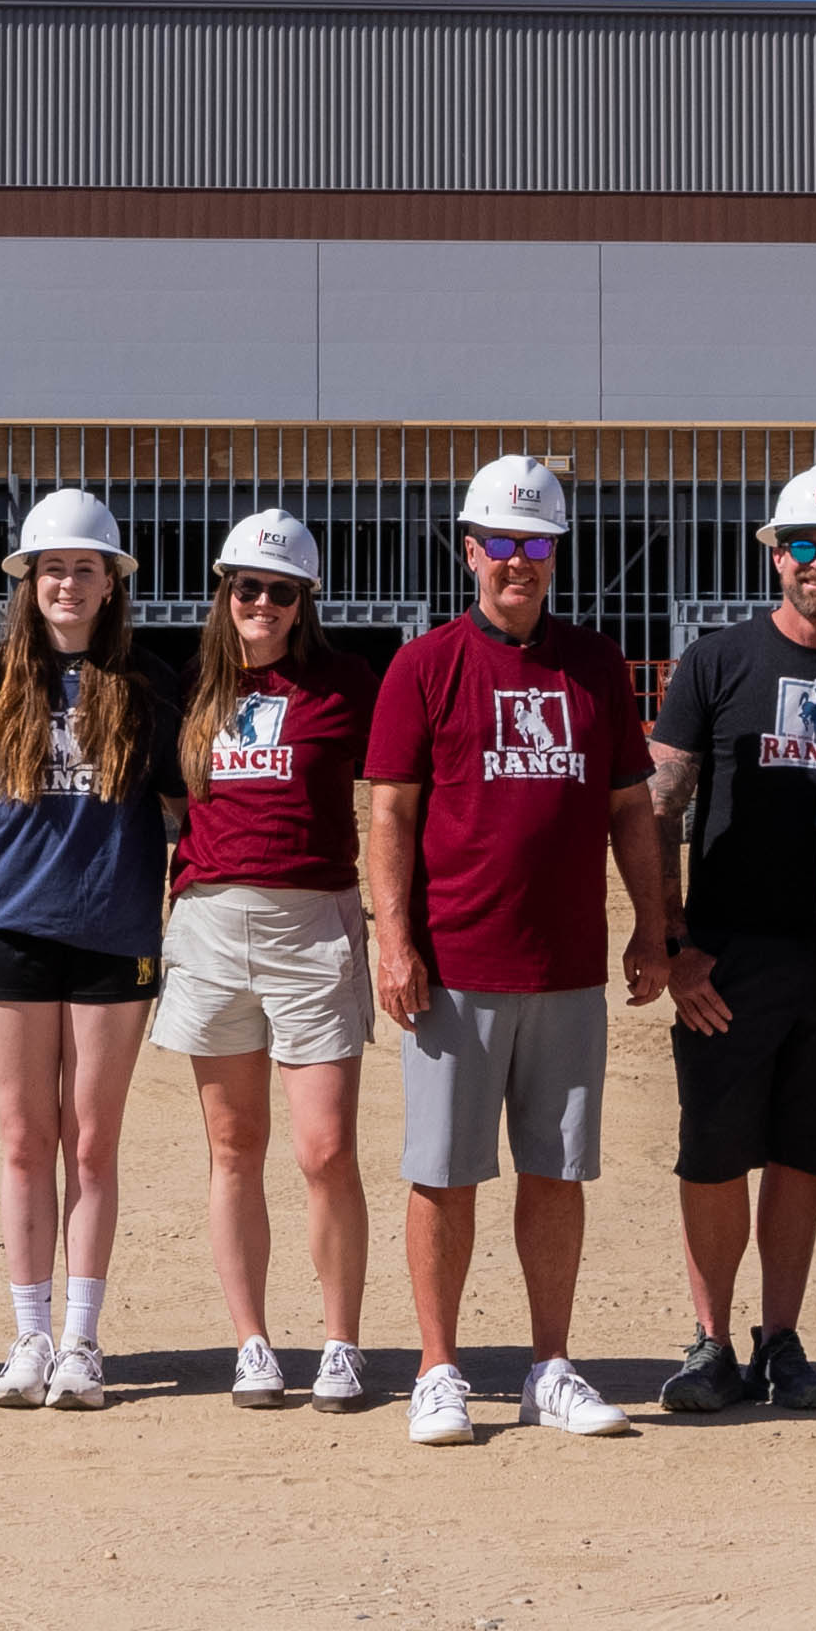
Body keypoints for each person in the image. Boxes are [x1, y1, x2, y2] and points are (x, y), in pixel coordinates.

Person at [360, 453, 666, 1447]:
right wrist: (395, 941)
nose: (517, 560)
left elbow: (631, 810)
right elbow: (391, 813)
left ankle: (550, 1366)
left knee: (556, 1170)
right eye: (500, 541)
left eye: (536, 542)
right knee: (443, 1171)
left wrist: (651, 924)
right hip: (455, 967)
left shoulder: (595, 665)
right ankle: (437, 1369)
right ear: (469, 551)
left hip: (567, 967)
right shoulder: (424, 666)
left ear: (555, 553)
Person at [0, 488, 189, 1412]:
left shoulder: (149, 680)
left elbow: (179, 802)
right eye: (53, 569)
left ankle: (82, 1340)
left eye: (86, 569)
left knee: (90, 1142)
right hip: (11, 923)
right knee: (22, 1138)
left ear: (112, 582)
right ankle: (30, 1336)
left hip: (114, 929)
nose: (69, 584)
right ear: (30, 581)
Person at [644, 463, 816, 1413]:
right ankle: (710, 1342)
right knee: (713, 1153)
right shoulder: (716, 662)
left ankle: (779, 1341)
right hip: (727, 956)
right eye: (803, 545)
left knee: (803, 1153)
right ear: (776, 555)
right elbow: (660, 805)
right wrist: (672, 940)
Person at [156, 509, 384, 1413]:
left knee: (326, 1151)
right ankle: (251, 1342)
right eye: (246, 587)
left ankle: (341, 1344)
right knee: (234, 1146)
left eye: (280, 591)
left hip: (314, 924)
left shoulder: (345, 683)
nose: (261, 603)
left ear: (303, 600)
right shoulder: (190, 685)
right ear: (226, 592)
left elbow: (401, 789)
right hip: (212, 924)